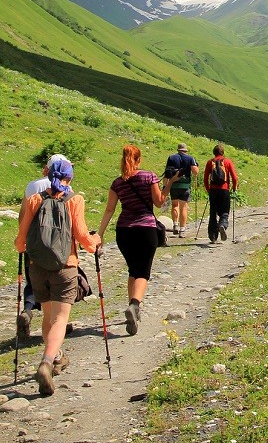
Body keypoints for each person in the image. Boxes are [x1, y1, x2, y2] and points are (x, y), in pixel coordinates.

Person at [15, 156, 101, 396]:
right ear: (70, 178)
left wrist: (26, 250)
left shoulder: (35, 199)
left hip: (37, 267)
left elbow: (20, 241)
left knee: (48, 315)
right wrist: (96, 242)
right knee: (61, 319)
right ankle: (46, 361)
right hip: (65, 265)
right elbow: (83, 237)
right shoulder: (75, 200)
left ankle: (56, 357)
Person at [97, 144, 165, 337]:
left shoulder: (117, 183)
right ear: (139, 160)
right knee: (143, 271)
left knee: (133, 269)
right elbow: (159, 203)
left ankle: (133, 308)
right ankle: (135, 305)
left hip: (124, 231)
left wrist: (100, 235)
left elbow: (109, 209)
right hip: (146, 229)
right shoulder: (149, 176)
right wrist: (169, 183)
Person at [17, 154, 68, 345]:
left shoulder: (33, 186)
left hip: (34, 242)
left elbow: (23, 215)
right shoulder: (66, 188)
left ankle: (28, 311)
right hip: (58, 245)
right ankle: (58, 323)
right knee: (57, 285)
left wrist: (22, 240)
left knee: (34, 280)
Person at [203, 144, 238, 242]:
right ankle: (222, 225)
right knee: (224, 211)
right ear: (223, 152)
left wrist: (208, 189)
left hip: (213, 190)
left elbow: (205, 178)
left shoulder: (210, 162)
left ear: (214, 152)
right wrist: (234, 188)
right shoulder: (227, 161)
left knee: (213, 212)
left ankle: (213, 236)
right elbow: (234, 177)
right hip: (224, 190)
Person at [163, 142, 197, 237]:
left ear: (178, 150)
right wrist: (195, 165)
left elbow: (167, 173)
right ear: (186, 150)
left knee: (174, 205)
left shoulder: (171, 158)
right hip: (185, 186)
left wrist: (165, 186)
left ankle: (175, 225)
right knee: (183, 207)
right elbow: (195, 172)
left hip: (173, 185)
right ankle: (182, 230)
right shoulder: (190, 158)